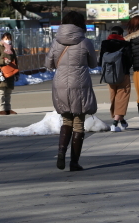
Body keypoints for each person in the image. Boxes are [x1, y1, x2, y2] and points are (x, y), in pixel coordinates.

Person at [47, 11, 98, 171]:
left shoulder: (56, 42)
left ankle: (61, 150)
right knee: (78, 123)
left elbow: (48, 64)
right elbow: (93, 64)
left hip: (60, 84)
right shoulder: (85, 42)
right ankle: (74, 162)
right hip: (80, 84)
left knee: (66, 120)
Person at [99, 26, 132, 132]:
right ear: (121, 34)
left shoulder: (105, 44)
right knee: (122, 98)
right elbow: (130, 60)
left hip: (109, 76)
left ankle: (122, 121)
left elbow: (100, 61)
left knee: (113, 98)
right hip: (123, 75)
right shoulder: (126, 44)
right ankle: (114, 123)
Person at [0, 32, 19, 116]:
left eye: (9, 39)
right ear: (2, 39)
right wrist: (3, 61)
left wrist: (17, 73)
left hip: (10, 73)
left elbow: (15, 61)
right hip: (2, 73)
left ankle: (8, 108)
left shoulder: (12, 49)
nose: (8, 41)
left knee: (8, 92)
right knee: (1, 92)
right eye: (6, 39)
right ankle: (1, 109)